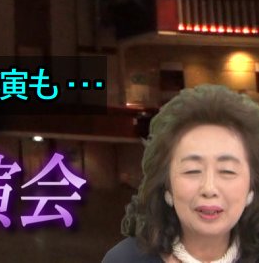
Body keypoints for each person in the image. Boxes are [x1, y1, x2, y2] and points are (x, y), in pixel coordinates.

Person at [103, 85, 259, 262]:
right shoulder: (124, 259)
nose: (209, 189)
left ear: (251, 188)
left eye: (227, 171)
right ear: (167, 187)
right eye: (192, 170)